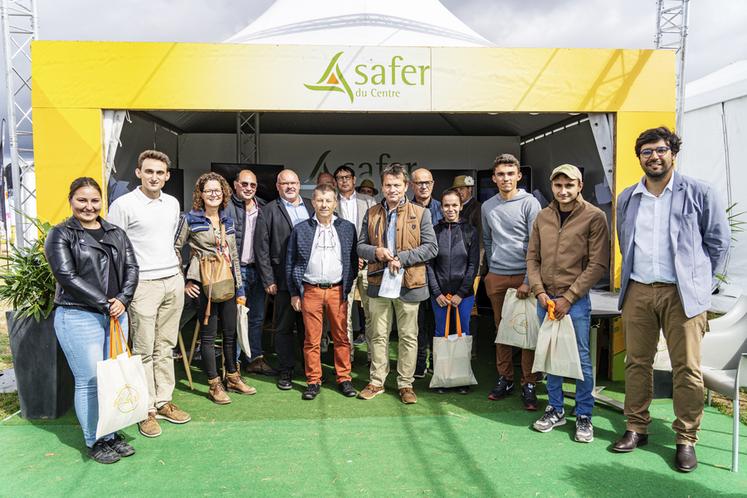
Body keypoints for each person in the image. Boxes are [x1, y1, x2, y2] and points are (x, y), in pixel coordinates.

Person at [612, 127, 730, 472]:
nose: (654, 157)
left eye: (660, 150)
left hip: (683, 295)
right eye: (646, 152)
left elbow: (719, 243)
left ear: (673, 153)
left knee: (687, 368)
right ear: (640, 158)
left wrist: (700, 287)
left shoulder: (699, 192)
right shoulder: (628, 197)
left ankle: (686, 438)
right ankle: (636, 427)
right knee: (636, 363)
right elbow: (625, 240)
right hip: (638, 290)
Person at [45, 177, 139, 464]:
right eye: (82, 200)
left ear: (102, 202)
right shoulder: (61, 234)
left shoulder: (116, 232)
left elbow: (133, 267)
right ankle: (94, 439)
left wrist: (123, 299)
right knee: (89, 380)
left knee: (113, 377)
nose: (89, 206)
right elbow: (67, 277)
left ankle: (111, 433)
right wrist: (104, 303)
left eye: (94, 200)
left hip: (115, 315)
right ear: (71, 200)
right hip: (78, 316)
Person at [107, 150, 190, 438]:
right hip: (142, 285)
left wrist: (177, 275)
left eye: (160, 172)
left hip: (172, 281)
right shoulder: (123, 205)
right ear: (139, 173)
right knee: (143, 350)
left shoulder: (172, 203)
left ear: (167, 176)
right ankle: (146, 410)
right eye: (149, 171)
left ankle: (163, 401)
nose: (154, 177)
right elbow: (113, 249)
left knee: (165, 347)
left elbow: (170, 243)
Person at [527, 164, 609, 443]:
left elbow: (598, 264)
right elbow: (532, 259)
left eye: (569, 185)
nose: (563, 191)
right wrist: (539, 292)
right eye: (558, 185)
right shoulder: (542, 216)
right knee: (551, 356)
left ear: (580, 185)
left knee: (581, 359)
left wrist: (569, 297)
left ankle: (584, 413)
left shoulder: (594, 217)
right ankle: (555, 408)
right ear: (552, 186)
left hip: (574, 301)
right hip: (546, 299)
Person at [357, 163, 438, 404]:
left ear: (405, 186)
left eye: (397, 185)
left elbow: (431, 247)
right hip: (378, 280)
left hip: (409, 283)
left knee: (408, 336)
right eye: (388, 185)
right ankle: (377, 381)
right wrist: (378, 252)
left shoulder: (421, 213)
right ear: (382, 187)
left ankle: (405, 384)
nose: (392, 189)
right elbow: (360, 246)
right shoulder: (371, 213)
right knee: (378, 334)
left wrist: (402, 259)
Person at [174, 172, 255, 404]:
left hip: (227, 281)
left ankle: (232, 376)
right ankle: (213, 384)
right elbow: (175, 249)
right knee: (208, 337)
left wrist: (240, 290)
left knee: (230, 334)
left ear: (224, 194)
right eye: (208, 190)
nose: (213, 194)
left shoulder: (227, 220)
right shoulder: (190, 219)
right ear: (201, 193)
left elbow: (234, 257)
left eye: (217, 191)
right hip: (203, 283)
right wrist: (184, 280)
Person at [286, 184, 359, 400]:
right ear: (313, 202)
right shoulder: (301, 229)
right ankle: (313, 381)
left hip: (337, 290)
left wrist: (347, 284)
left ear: (335, 203)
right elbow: (291, 262)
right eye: (319, 200)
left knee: (341, 337)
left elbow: (353, 261)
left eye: (328, 200)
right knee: (312, 339)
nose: (324, 205)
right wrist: (294, 293)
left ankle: (344, 378)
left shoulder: (347, 228)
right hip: (310, 290)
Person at [481, 154, 542, 409]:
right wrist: (490, 272)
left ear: (518, 176)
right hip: (497, 275)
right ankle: (505, 378)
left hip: (523, 277)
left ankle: (529, 383)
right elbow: (488, 240)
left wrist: (528, 280)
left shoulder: (530, 203)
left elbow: (535, 245)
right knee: (501, 331)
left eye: (510, 173)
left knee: (526, 332)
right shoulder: (487, 206)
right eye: (500, 174)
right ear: (494, 178)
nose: (505, 179)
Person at [254, 169, 314, 390]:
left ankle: (311, 371)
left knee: (309, 328)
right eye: (285, 183)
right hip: (282, 280)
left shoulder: (311, 205)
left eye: (294, 183)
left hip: (311, 278)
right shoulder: (268, 211)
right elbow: (261, 248)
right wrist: (268, 278)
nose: (290, 187)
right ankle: (286, 370)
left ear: (300, 185)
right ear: (278, 187)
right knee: (284, 328)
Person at [427, 189, 480, 394]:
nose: (450, 209)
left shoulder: (470, 231)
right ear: (441, 208)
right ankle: (441, 378)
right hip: (439, 295)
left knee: (461, 335)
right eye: (446, 205)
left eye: (454, 205)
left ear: (461, 206)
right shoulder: (434, 230)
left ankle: (461, 379)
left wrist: (461, 293)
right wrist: (437, 293)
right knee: (441, 334)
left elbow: (472, 265)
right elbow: (429, 265)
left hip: (463, 296)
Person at [225, 169, 274, 376]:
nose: (248, 188)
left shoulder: (263, 207)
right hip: (237, 271)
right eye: (244, 184)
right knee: (238, 319)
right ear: (235, 184)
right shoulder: (225, 207)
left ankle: (254, 359)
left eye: (252, 185)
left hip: (258, 270)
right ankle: (233, 365)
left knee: (256, 318)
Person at [333, 165, 376, 356]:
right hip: (343, 266)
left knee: (371, 313)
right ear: (335, 181)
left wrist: (364, 255)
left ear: (354, 179)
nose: (344, 180)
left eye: (347, 177)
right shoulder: (331, 202)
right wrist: (351, 257)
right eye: (340, 177)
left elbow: (375, 233)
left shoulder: (368, 201)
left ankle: (372, 357)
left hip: (367, 265)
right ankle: (346, 355)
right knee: (344, 314)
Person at [411, 167, 442, 379]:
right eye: (419, 183)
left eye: (427, 182)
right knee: (417, 322)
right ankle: (420, 362)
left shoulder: (442, 207)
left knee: (437, 321)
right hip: (414, 272)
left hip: (439, 273)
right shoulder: (405, 208)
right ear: (411, 185)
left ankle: (437, 362)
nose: (424, 186)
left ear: (433, 184)